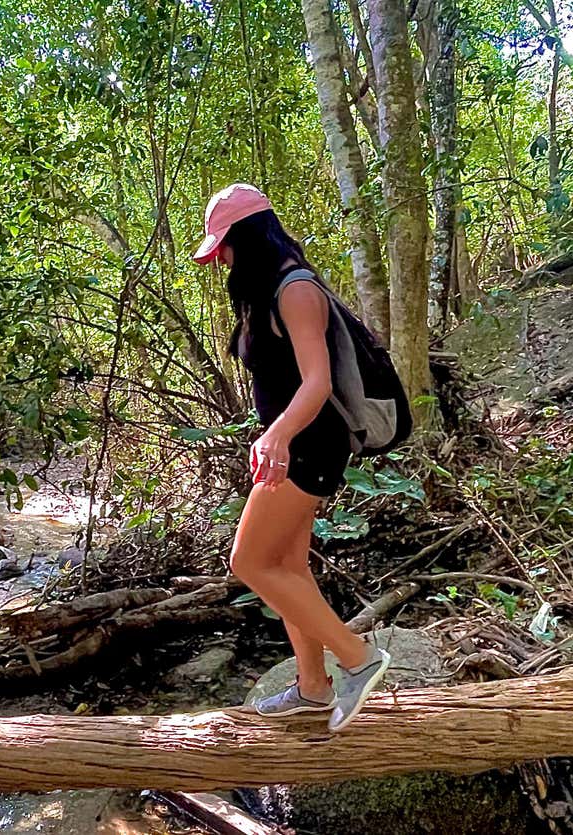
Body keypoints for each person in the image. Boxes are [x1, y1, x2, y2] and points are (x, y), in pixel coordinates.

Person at [192, 183, 390, 732]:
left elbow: (317, 381)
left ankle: (358, 658)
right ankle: (312, 689)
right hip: (293, 447)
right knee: (287, 567)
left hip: (309, 445)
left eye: (223, 247)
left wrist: (276, 435)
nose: (221, 261)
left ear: (247, 237)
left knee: (249, 563)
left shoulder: (296, 291)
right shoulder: (266, 293)